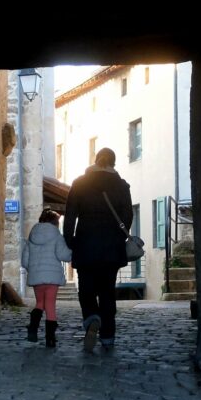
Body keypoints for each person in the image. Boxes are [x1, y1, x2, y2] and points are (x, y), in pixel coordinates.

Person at [63, 147, 133, 352]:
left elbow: (70, 216)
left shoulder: (79, 184)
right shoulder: (121, 186)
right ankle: (108, 336)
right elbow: (128, 216)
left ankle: (92, 317)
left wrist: (70, 240)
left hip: (86, 245)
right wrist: (119, 237)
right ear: (114, 162)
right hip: (112, 248)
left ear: (95, 160)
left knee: (85, 289)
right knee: (107, 292)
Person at [21, 208, 72, 348]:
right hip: (52, 276)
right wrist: (72, 252)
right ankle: (50, 339)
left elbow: (25, 260)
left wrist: (33, 268)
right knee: (50, 305)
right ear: (55, 223)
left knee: (39, 303)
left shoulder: (32, 235)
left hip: (37, 276)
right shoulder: (56, 235)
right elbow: (63, 255)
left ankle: (32, 329)